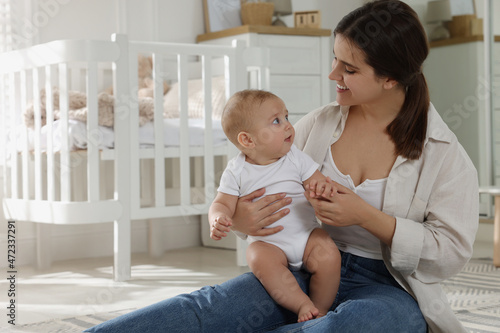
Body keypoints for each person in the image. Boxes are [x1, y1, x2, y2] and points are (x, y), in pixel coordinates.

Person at [86, 1, 479, 332]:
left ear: (391, 79)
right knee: (209, 308)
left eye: (350, 69)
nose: (332, 76)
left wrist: (365, 216)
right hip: (299, 267)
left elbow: (450, 253)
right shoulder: (318, 125)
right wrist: (239, 218)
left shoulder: (443, 152)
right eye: (335, 60)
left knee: (348, 325)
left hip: (390, 288)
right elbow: (250, 180)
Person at [209, 89, 341, 323]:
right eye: (276, 121)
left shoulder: (295, 157)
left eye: (287, 117)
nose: (289, 126)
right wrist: (218, 218)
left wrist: (322, 188)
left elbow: (316, 181)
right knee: (258, 257)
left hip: (306, 236)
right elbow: (221, 203)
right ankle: (302, 304)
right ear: (247, 140)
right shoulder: (236, 171)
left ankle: (320, 310)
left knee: (329, 253)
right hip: (268, 244)